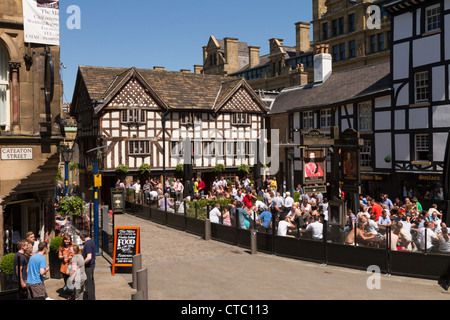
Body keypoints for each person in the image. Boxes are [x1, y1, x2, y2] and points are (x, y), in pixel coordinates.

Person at [80, 230, 96, 300]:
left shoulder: (88, 244)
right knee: (90, 282)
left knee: (89, 283)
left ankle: (90, 298)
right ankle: (90, 296)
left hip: (88, 267)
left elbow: (89, 257)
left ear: (82, 236)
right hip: (90, 266)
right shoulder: (91, 241)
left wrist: (82, 263)